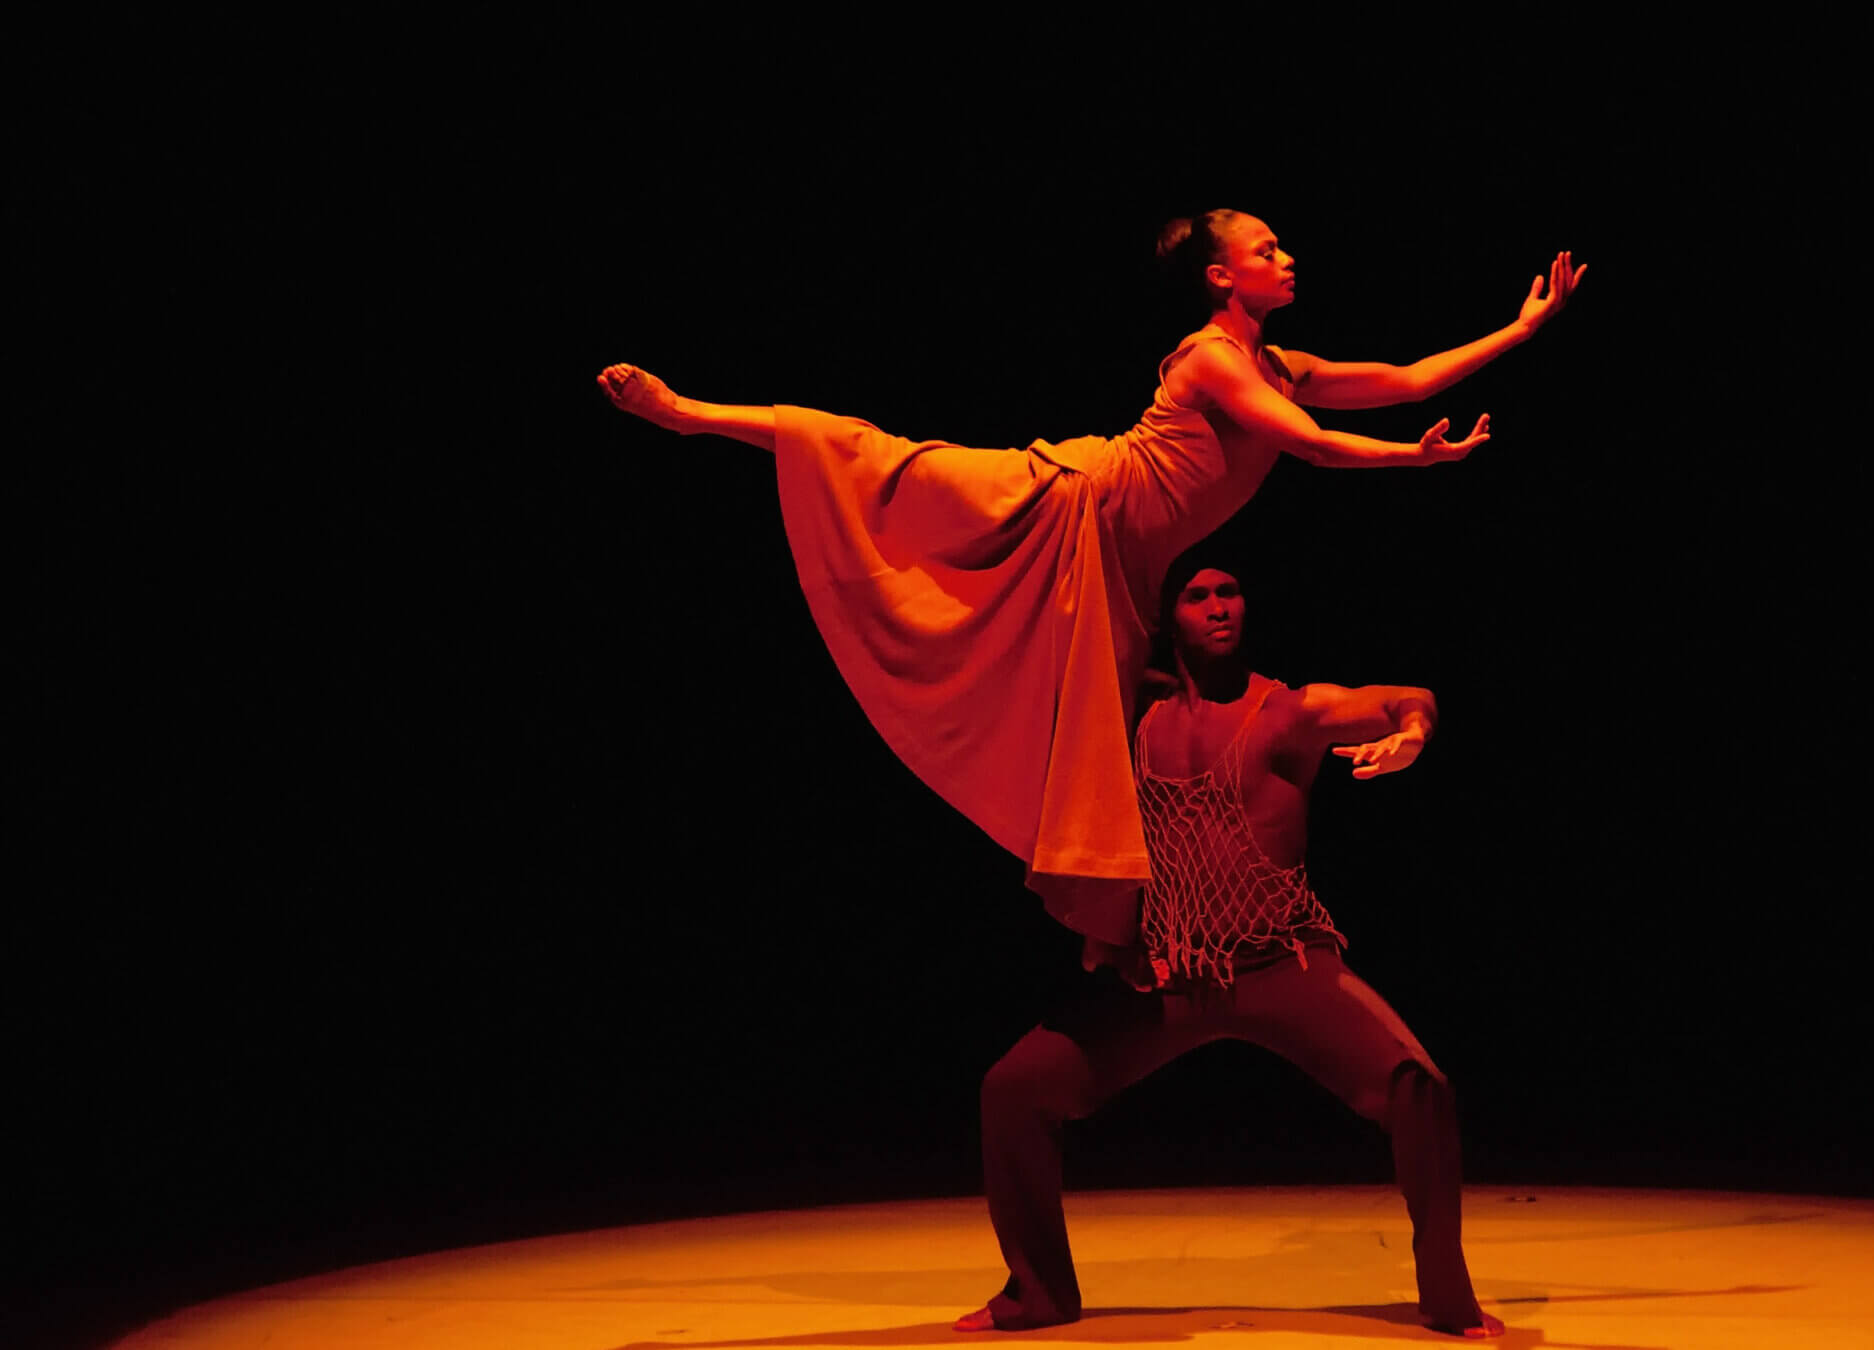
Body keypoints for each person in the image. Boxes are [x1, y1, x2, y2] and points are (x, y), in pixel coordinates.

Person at [597, 212, 1581, 951]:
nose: (1287, 259)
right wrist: (1416, 463)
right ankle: (689, 412)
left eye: (1284, 248)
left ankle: (1121, 944)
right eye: (1266, 248)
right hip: (1070, 500)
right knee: (875, 456)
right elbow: (1316, 449)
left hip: (1120, 567)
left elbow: (1406, 377)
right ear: (1219, 275)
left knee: (1098, 753)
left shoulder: (1278, 361)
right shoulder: (1209, 360)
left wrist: (1519, 331)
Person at [959, 559, 1502, 1339]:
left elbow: (1397, 698)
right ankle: (1037, 1292)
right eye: (1198, 596)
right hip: (1170, 974)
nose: (1220, 609)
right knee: (1013, 1090)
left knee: (1418, 1083)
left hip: (1283, 961)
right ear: (1166, 615)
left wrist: (1413, 728)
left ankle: (1447, 1300)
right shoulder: (1128, 711)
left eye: (1231, 592)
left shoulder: (1288, 712)